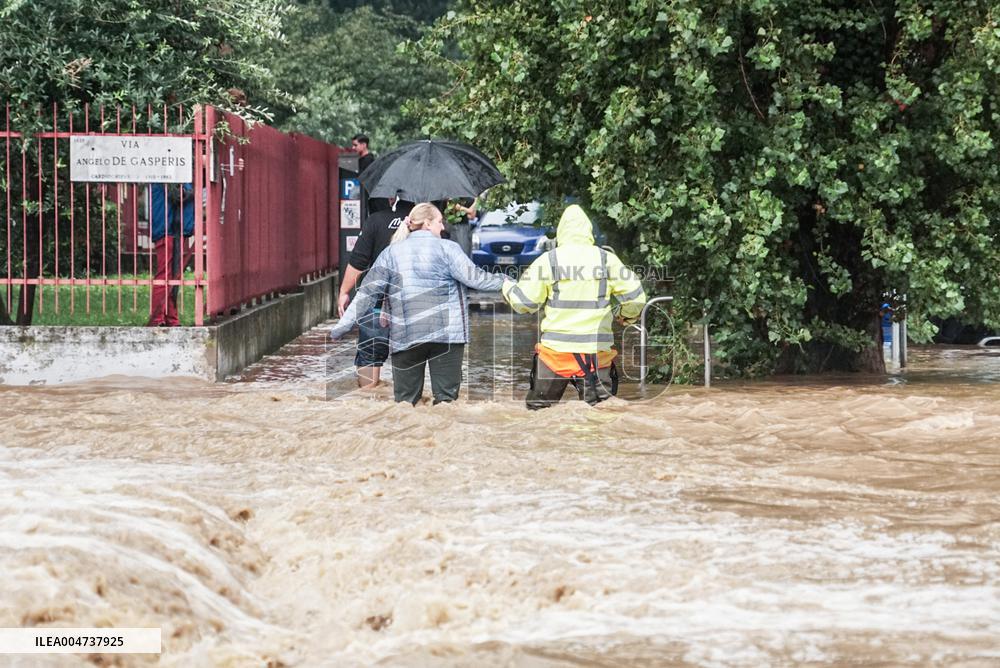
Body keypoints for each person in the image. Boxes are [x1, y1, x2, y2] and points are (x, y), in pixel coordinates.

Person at [330, 202, 509, 405]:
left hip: (406, 337)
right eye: (440, 222)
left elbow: (367, 294)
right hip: (446, 337)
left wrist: (340, 329)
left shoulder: (391, 252)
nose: (443, 227)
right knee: (446, 403)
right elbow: (477, 279)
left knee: (406, 404)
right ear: (427, 223)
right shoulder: (448, 249)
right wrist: (508, 282)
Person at [501, 204, 646, 409]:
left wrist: (507, 287)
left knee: (538, 416)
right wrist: (626, 316)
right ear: (589, 230)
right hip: (596, 357)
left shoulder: (549, 261)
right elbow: (636, 299)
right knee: (600, 418)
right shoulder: (606, 260)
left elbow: (524, 303)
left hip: (555, 357)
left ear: (561, 232)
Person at [338, 198, 414, 387]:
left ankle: (369, 395)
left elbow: (358, 260)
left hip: (376, 300)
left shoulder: (376, 220)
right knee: (412, 361)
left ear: (391, 197)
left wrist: (344, 291)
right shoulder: (426, 224)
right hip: (412, 302)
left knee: (369, 355)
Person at [147, 183, 194, 327]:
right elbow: (178, 194)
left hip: (175, 227)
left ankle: (170, 318)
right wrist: (191, 191)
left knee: (173, 276)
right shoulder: (170, 169)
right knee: (165, 275)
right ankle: (157, 318)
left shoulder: (177, 170)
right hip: (168, 226)